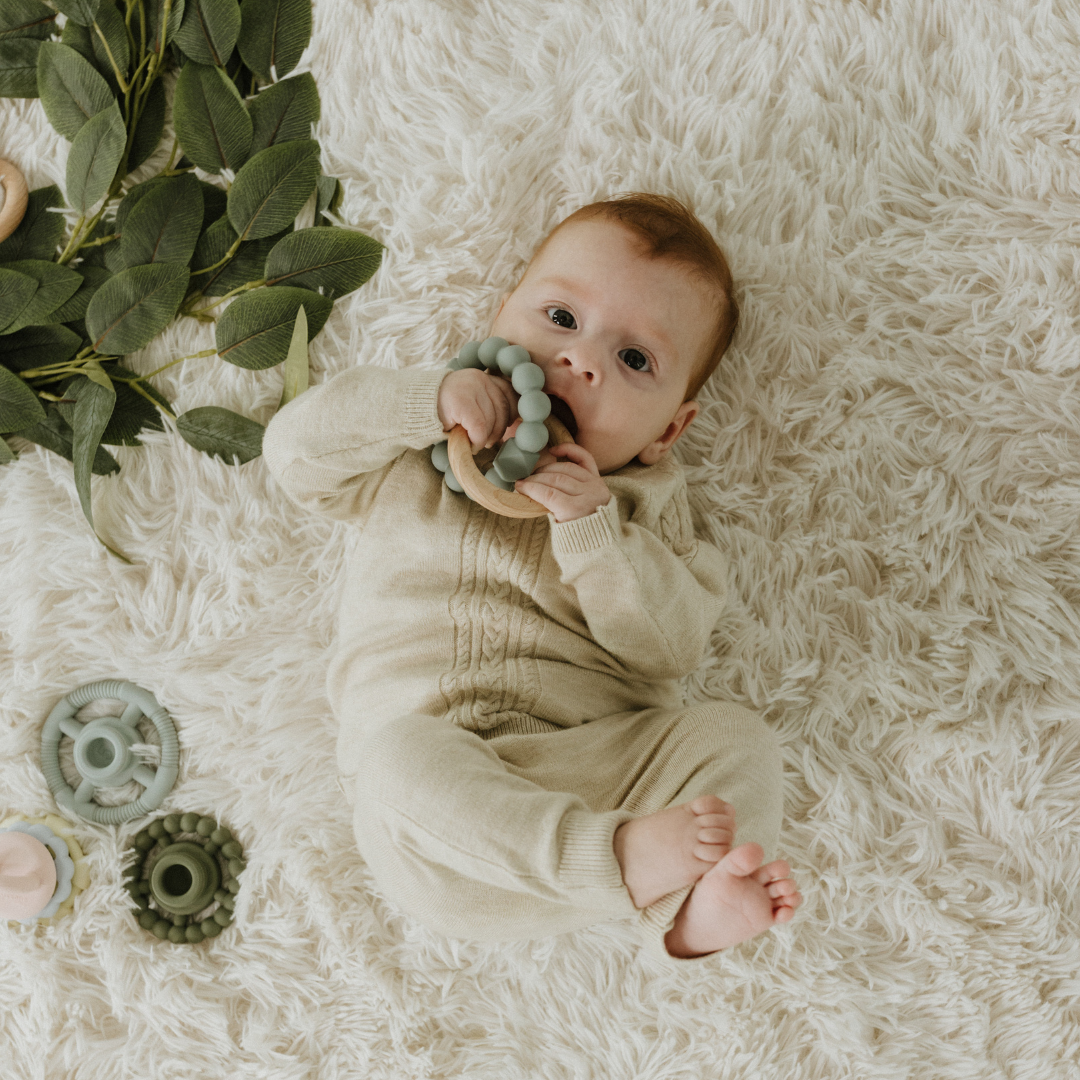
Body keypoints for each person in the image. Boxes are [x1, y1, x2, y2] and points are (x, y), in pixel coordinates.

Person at [261, 193, 802, 964]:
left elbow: (668, 648)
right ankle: (620, 863)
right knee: (395, 763)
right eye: (559, 319)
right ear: (499, 318)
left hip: (587, 765)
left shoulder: (650, 514)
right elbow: (293, 454)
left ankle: (693, 910)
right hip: (445, 822)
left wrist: (594, 529)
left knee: (737, 741)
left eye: (635, 360)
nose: (581, 362)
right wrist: (425, 403)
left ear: (667, 433)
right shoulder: (418, 446)